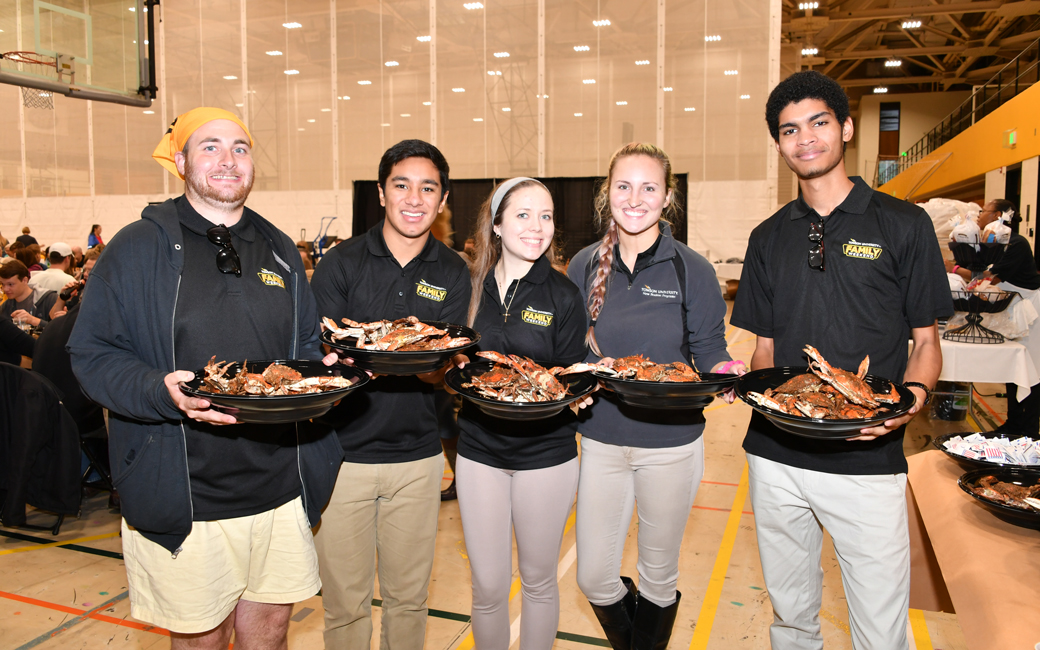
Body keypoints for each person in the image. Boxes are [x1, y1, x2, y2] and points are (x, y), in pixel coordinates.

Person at [67, 107, 344, 650]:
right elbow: (92, 353)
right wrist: (157, 391)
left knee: (270, 631)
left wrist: (323, 377)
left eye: (240, 147)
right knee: (202, 638)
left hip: (280, 485)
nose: (227, 159)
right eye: (210, 146)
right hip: (184, 490)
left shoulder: (280, 248)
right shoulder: (136, 247)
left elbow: (306, 345)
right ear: (180, 160)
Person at [731, 70, 952, 650]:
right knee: (792, 620)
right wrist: (752, 390)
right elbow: (766, 351)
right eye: (789, 129)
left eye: (819, 122)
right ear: (778, 144)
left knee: (881, 632)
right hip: (775, 459)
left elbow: (926, 344)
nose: (805, 138)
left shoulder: (904, 224)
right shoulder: (766, 237)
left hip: (867, 460)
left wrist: (912, 404)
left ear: (846, 128)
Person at [568, 143, 741, 650]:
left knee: (657, 576)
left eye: (649, 187)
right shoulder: (583, 265)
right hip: (600, 440)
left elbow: (710, 347)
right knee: (594, 577)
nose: (635, 198)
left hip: (671, 445)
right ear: (608, 194)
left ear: (667, 197)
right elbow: (571, 346)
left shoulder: (692, 269)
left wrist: (727, 371)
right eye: (624, 186)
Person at [310, 139, 470, 649]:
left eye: (429, 187)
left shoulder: (452, 271)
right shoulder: (341, 264)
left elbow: (445, 368)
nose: (414, 198)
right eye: (401, 185)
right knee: (345, 608)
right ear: (381, 193)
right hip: (343, 458)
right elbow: (322, 360)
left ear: (443, 200)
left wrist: (432, 366)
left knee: (409, 601)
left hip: (418, 460)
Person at [454, 178, 587, 649]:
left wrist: (581, 386)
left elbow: (572, 374)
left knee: (538, 580)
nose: (538, 227)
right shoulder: (467, 286)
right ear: (496, 224)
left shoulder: (564, 296)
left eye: (546, 216)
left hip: (545, 454)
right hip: (477, 451)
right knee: (488, 587)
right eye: (524, 215)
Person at [947, 198, 1040, 436]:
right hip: (1012, 310)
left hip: (1031, 312)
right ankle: (1013, 424)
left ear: (997, 215)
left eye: (983, 211)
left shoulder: (1014, 243)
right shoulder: (991, 245)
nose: (978, 216)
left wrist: (954, 270)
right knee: (1014, 371)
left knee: (1031, 372)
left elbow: (990, 278)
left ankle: (1028, 431)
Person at [0, 260, 58, 332]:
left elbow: (60, 330)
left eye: (10, 284)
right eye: (2, 284)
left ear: (25, 280)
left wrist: (34, 321)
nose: (5, 289)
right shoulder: (6, 306)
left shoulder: (49, 298)